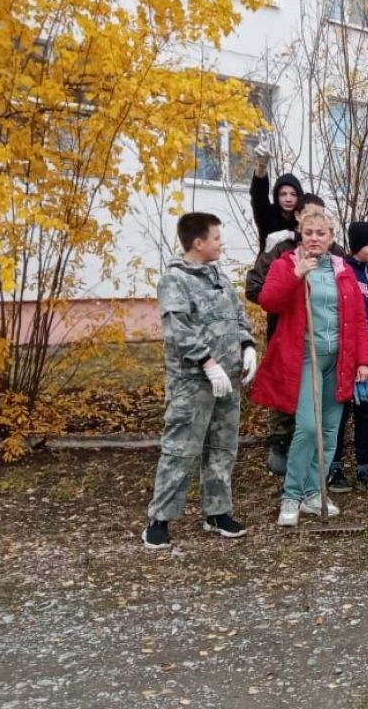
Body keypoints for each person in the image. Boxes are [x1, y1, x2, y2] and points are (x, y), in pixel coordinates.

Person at [251, 206, 368, 527]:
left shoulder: (342, 269)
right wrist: (296, 275)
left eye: (321, 233)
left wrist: (364, 361)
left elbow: (359, 318)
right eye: (309, 233)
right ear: (300, 236)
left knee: (331, 430)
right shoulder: (286, 264)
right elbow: (268, 301)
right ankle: (291, 494)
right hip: (306, 358)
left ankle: (314, 492)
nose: (315, 238)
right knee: (307, 427)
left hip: (340, 359)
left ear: (331, 237)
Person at [142, 213, 257, 549]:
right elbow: (178, 330)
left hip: (228, 381)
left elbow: (238, 315)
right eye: (217, 238)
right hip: (193, 382)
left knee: (222, 447)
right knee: (181, 450)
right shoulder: (174, 280)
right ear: (198, 243)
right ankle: (159, 520)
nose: (221, 243)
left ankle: (217, 512)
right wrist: (207, 362)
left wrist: (247, 345)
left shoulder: (217, 274)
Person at [245, 193, 329, 476]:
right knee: (285, 387)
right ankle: (279, 443)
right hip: (285, 330)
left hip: (320, 336)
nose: (314, 226)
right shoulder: (280, 250)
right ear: (297, 218)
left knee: (313, 394)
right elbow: (256, 288)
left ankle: (309, 450)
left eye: (320, 216)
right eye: (308, 216)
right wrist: (286, 297)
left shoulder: (334, 252)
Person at [330, 221, 368, 492]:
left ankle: (364, 465)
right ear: (356, 246)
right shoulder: (342, 272)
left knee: (367, 413)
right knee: (340, 413)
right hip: (347, 357)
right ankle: (334, 466)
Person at [248, 136, 302, 253]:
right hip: (267, 268)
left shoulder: (304, 218)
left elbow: (316, 236)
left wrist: (291, 234)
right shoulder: (267, 215)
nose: (288, 199)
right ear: (277, 196)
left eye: (293, 194)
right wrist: (261, 167)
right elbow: (258, 196)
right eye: (283, 194)